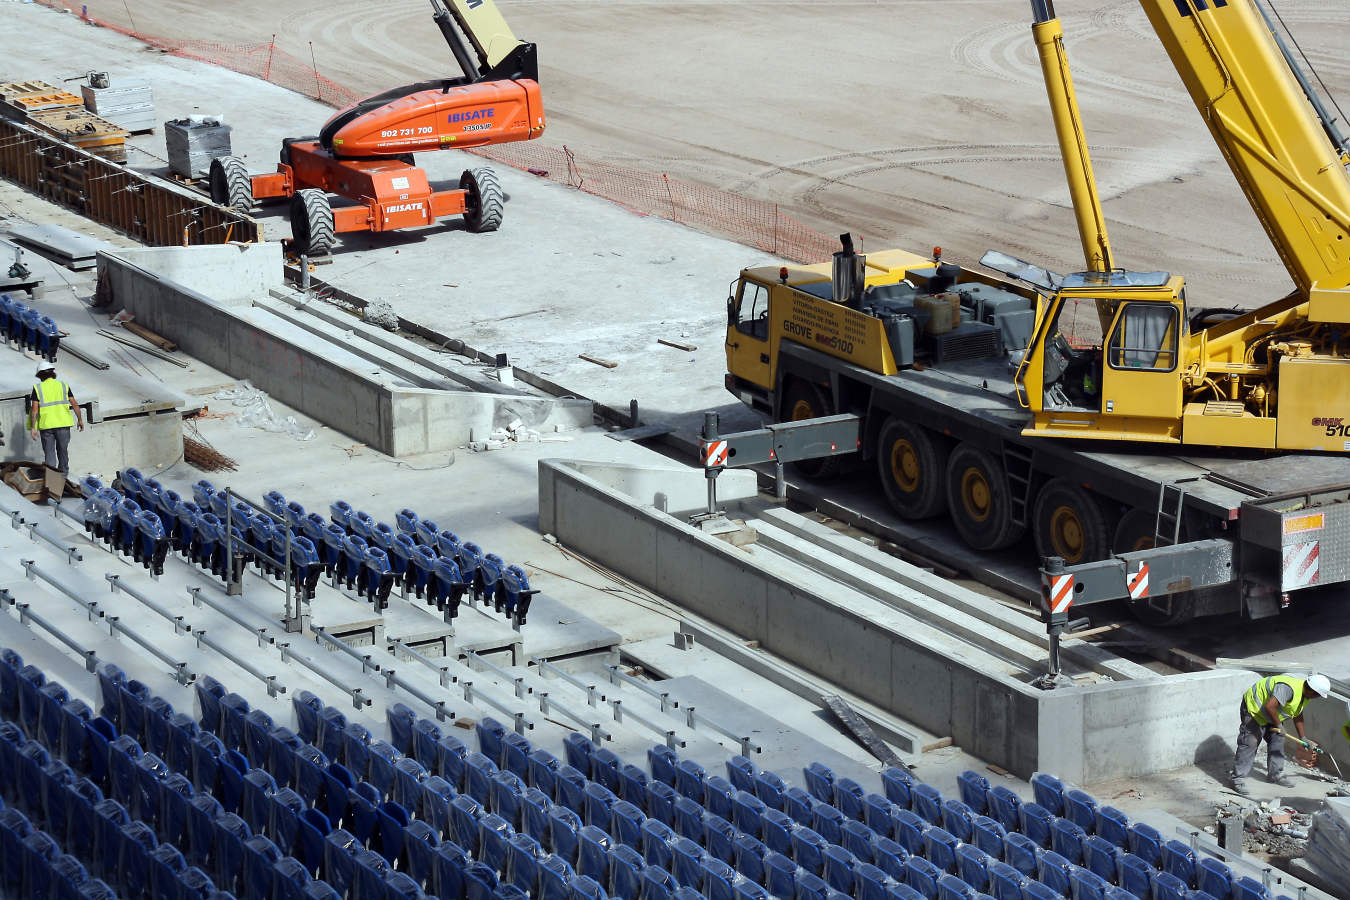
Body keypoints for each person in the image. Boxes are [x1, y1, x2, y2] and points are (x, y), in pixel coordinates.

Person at [1232, 672, 1328, 795]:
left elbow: (1297, 714)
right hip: (1254, 709)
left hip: (1271, 714)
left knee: (1277, 741)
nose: (1318, 697)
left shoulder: (1305, 695)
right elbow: (1270, 706)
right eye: (1318, 695)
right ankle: (1237, 779)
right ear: (1313, 691)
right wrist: (1278, 725)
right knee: (1250, 742)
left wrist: (1303, 737)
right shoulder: (1288, 689)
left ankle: (1275, 775)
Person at [28, 366, 83, 475]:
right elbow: (75, 404)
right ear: (53, 374)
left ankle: (52, 481)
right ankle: (62, 479)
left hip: (47, 426)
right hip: (63, 424)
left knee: (49, 455)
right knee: (63, 452)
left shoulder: (38, 388)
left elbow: (34, 410)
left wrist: (33, 427)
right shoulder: (63, 385)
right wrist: (80, 420)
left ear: (40, 375)